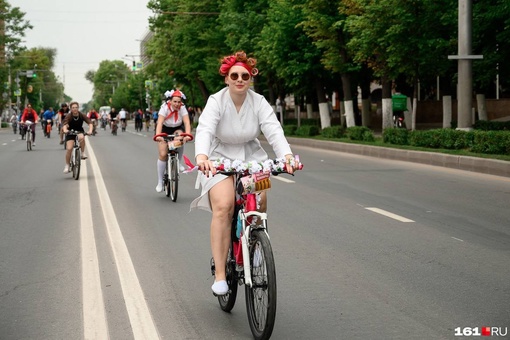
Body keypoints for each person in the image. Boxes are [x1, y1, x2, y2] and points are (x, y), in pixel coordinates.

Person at [190, 51, 298, 295]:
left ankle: (256, 247)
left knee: (259, 203)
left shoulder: (259, 102)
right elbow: (205, 129)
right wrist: (202, 157)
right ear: (226, 79)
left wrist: (287, 157)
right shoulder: (216, 101)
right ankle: (220, 275)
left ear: (251, 79)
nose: (240, 79)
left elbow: (274, 130)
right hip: (218, 158)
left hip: (251, 157)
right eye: (234, 75)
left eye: (245, 76)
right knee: (224, 206)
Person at [154, 89, 192, 192]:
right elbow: (160, 123)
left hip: (177, 128)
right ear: (170, 101)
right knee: (162, 154)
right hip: (164, 129)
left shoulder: (182, 108)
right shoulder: (164, 108)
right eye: (175, 101)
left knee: (179, 137)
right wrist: (158, 135)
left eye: (179, 102)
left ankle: (178, 162)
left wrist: (187, 135)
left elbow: (187, 122)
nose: (177, 104)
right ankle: (160, 182)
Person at [61, 102, 93, 173]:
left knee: (81, 137)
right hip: (70, 132)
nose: (75, 109)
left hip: (79, 131)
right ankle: (67, 165)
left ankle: (82, 153)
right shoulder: (69, 116)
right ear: (71, 109)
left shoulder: (81, 115)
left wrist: (90, 130)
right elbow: (65, 124)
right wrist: (65, 130)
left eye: (76, 107)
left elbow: (90, 122)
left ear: (78, 108)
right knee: (69, 148)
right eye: (73, 108)